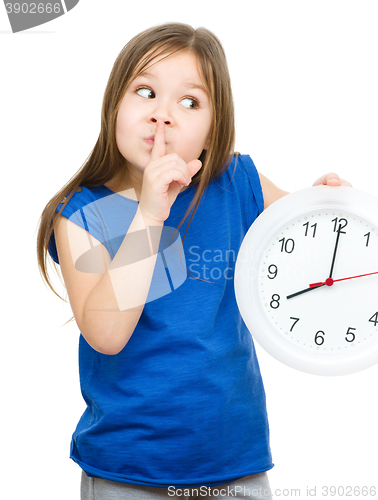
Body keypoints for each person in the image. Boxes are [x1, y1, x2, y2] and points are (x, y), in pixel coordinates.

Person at [37, 22, 351, 500]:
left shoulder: (237, 181)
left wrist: (329, 206)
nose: (163, 116)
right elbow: (106, 334)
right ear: (113, 106)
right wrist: (149, 211)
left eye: (189, 102)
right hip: (126, 472)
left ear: (212, 132)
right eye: (145, 92)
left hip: (235, 466)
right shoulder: (79, 214)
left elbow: (311, 245)